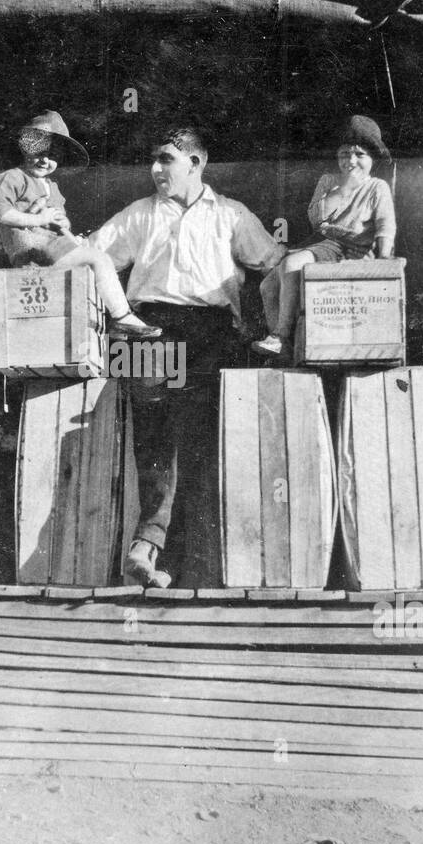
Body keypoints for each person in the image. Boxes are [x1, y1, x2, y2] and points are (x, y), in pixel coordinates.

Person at [89, 124, 286, 587]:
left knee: (197, 442)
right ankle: (147, 545)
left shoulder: (232, 215)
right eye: (154, 160)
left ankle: (175, 562)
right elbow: (90, 254)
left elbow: (275, 265)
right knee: (152, 434)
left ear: (196, 164)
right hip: (146, 330)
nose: (155, 169)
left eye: (166, 160)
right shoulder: (139, 215)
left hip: (212, 332)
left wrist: (273, 328)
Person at [0, 110, 161, 339]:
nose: (45, 160)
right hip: (31, 247)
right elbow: (3, 214)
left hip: (49, 246)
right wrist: (39, 219)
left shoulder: (52, 187)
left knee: (92, 266)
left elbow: (60, 223)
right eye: (38, 151)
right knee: (98, 259)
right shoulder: (12, 178)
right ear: (25, 148)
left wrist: (62, 222)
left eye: (52, 156)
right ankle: (121, 318)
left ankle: (100, 325)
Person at [254, 115, 396, 363]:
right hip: (328, 246)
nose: (351, 161)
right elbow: (316, 219)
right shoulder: (329, 182)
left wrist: (383, 259)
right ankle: (283, 352)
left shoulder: (377, 187)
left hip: (356, 252)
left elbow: (386, 225)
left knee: (290, 265)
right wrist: (342, 190)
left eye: (359, 155)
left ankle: (280, 335)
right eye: (344, 154)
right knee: (267, 285)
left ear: (373, 158)